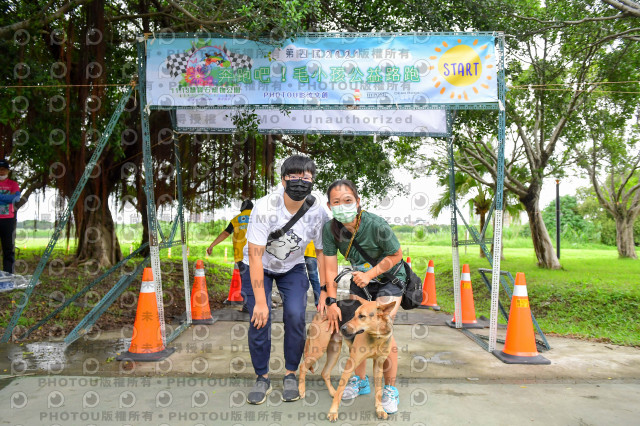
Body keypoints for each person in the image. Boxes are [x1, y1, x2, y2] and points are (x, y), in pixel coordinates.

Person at [241, 155, 329, 405]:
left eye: (306, 178)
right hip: (258, 266)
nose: (300, 181)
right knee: (260, 317)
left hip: (293, 267)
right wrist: (260, 301)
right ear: (282, 180)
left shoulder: (317, 209)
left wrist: (325, 290)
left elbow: (322, 253)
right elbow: (256, 256)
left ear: (312, 181)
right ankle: (262, 376)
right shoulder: (264, 206)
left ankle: (291, 373)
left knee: (294, 315)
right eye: (294, 177)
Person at [320, 179, 404, 415]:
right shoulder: (330, 230)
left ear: (358, 202)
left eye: (347, 200)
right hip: (361, 281)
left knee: (383, 327)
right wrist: (331, 301)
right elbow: (329, 268)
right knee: (359, 328)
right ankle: (361, 381)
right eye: (336, 202)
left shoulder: (375, 224)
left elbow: (396, 254)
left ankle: (389, 389)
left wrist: (371, 274)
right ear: (329, 206)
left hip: (389, 280)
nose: (342, 205)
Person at [207, 199, 253, 312]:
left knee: (246, 281)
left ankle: (248, 306)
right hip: (258, 255)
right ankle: (262, 304)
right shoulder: (258, 217)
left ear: (242, 209)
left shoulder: (236, 219)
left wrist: (212, 245)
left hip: (241, 256)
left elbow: (226, 233)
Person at [0, 159, 20, 274]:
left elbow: (16, 198)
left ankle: (8, 276)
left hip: (8, 220)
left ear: (8, 171)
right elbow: (11, 198)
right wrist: (7, 199)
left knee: (8, 249)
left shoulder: (13, 184)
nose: (1, 172)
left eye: (3, 169)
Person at [304, 241, 321, 307]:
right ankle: (300, 302)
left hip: (311, 252)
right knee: (300, 279)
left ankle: (319, 303)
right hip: (298, 253)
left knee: (314, 278)